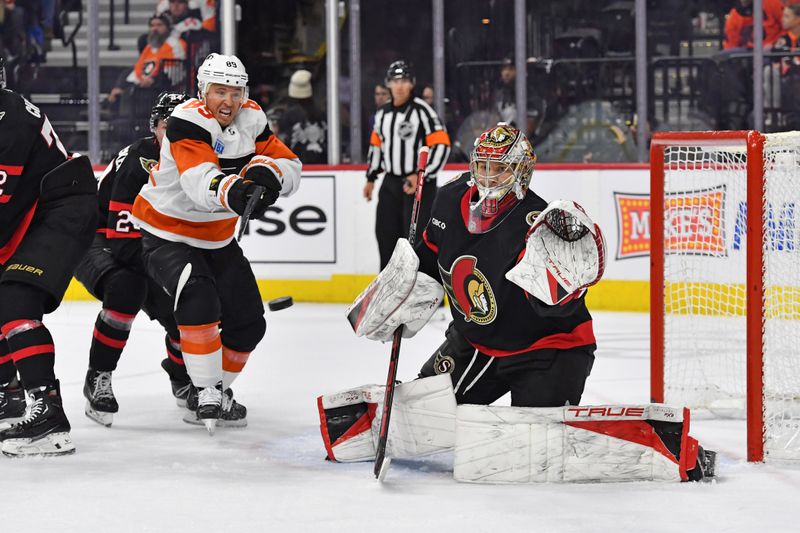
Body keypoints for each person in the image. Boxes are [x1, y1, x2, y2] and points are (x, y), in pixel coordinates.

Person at [131, 53, 302, 434]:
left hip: (217, 239)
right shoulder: (186, 121)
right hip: (167, 234)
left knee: (249, 324)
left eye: (235, 91)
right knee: (197, 296)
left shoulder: (252, 117)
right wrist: (240, 191)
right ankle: (204, 389)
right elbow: (199, 182)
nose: (228, 100)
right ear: (202, 91)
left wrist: (266, 173)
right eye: (219, 91)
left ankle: (217, 389)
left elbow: (291, 165)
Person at [75, 92, 193, 428]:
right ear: (154, 127)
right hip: (97, 238)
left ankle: (182, 378)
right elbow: (123, 241)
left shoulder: (200, 160)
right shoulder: (140, 159)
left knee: (192, 299)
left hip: (147, 244)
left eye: (182, 126)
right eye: (166, 126)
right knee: (128, 288)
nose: (172, 134)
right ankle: (98, 378)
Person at [0, 57, 97, 456]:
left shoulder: (11, 121)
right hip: (30, 212)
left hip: (61, 209)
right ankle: (9, 394)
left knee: (15, 300)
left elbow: (3, 204)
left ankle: (48, 413)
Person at [365, 60, 451, 269]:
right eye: (395, 81)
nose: (400, 86)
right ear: (388, 84)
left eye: (404, 80)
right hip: (391, 183)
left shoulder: (422, 111)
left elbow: (442, 145)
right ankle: (388, 288)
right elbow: (377, 145)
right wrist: (370, 178)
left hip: (419, 185)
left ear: (412, 84)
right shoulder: (383, 113)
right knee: (386, 236)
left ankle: (422, 290)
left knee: (417, 241)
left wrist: (421, 175)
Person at [108, 15, 187, 105]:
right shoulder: (150, 46)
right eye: (152, 25)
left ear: (168, 27)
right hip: (147, 85)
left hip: (166, 86)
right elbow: (139, 68)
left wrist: (153, 80)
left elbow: (176, 72)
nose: (155, 29)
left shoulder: (175, 44)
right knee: (125, 76)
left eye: (159, 25)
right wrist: (121, 86)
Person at [277, 69, 327, 164]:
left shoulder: (287, 116)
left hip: (295, 166)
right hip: (322, 164)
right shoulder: (322, 115)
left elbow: (282, 145)